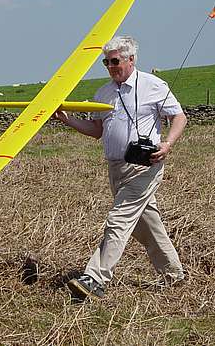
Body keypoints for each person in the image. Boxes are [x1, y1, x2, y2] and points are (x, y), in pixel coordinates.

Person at [53, 35, 187, 301]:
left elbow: (179, 116)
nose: (111, 66)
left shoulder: (153, 85)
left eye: (115, 61)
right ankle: (174, 275)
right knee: (145, 224)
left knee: (119, 220)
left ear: (131, 59)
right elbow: (96, 131)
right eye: (106, 62)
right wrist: (67, 120)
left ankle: (95, 279)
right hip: (116, 168)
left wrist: (168, 144)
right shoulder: (103, 93)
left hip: (145, 167)